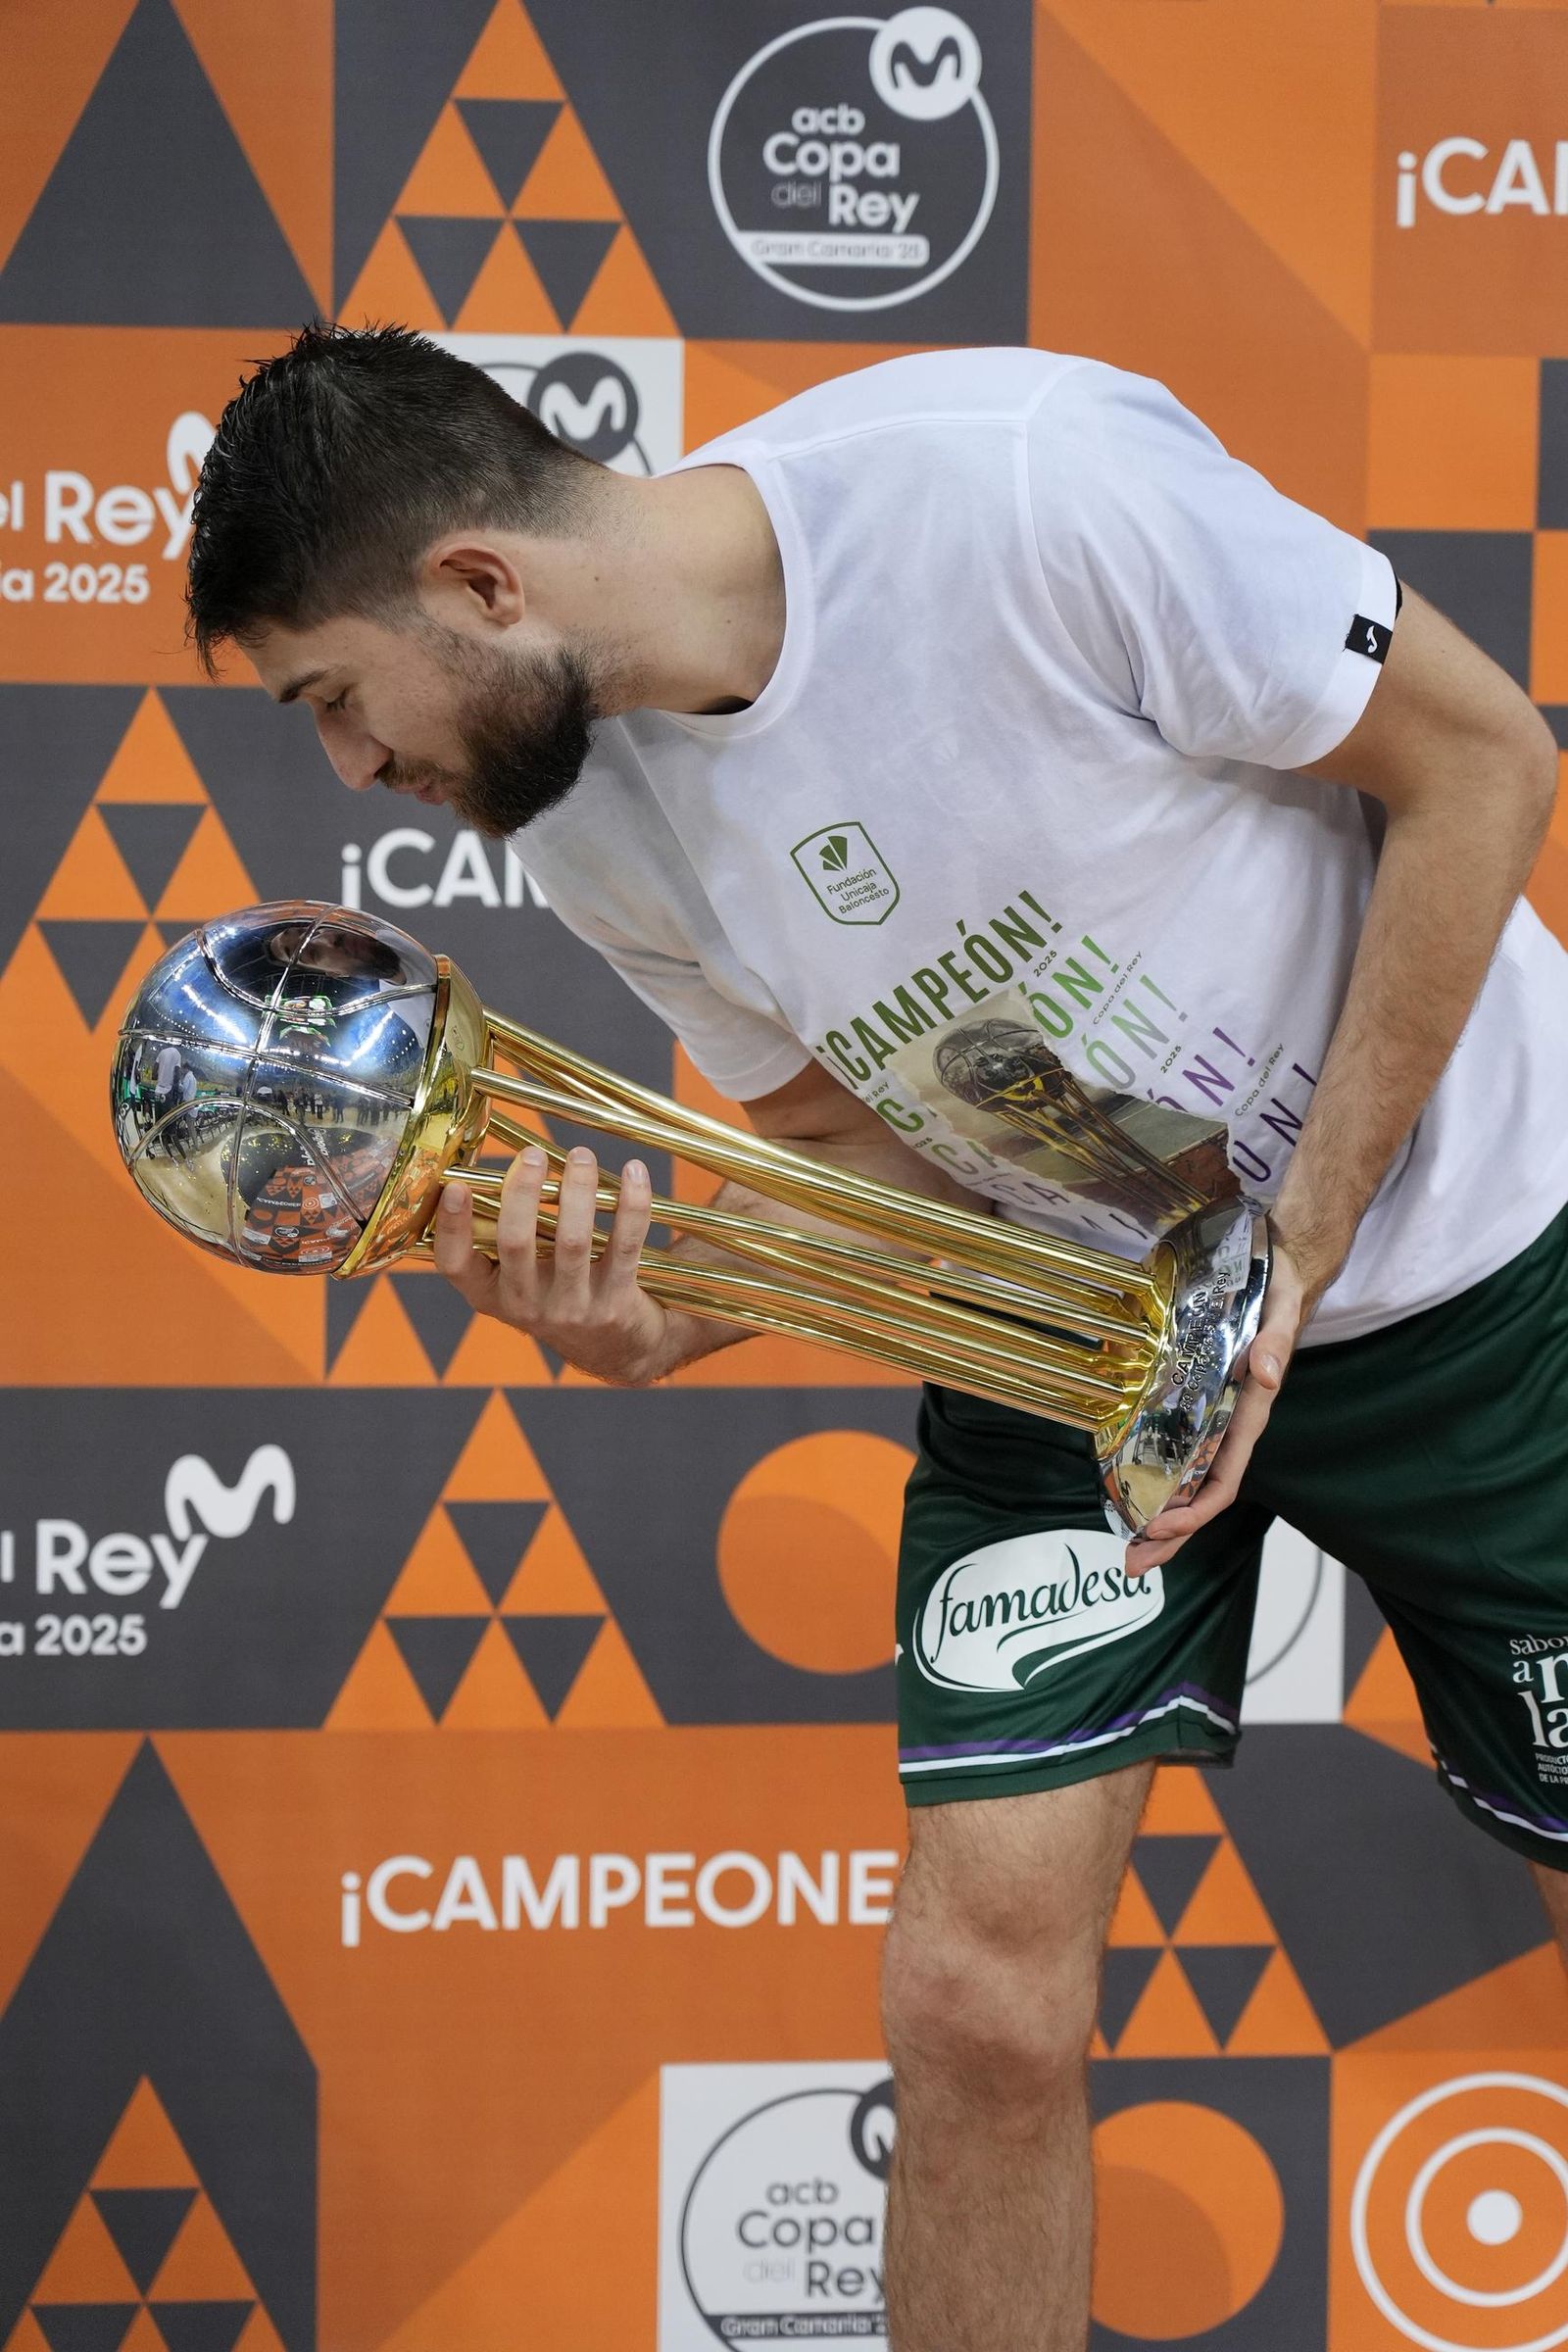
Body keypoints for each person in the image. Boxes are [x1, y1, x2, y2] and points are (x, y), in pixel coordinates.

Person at [184, 322, 1568, 2352]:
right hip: (1063, 1329)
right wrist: (663, 1309)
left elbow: (1483, 759)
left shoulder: (1016, 484)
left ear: (479, 586)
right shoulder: (582, 814)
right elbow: (861, 1139)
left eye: (333, 698)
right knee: (973, 2000)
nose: (353, 770)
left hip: (1471, 1272)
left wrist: (1287, 1249)